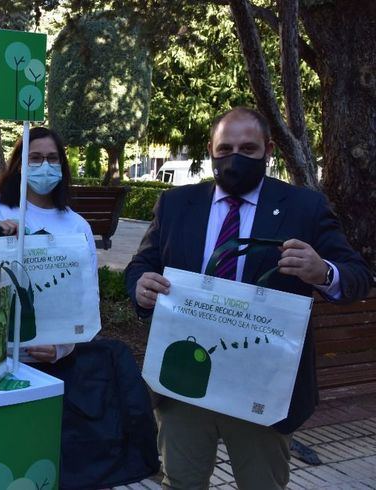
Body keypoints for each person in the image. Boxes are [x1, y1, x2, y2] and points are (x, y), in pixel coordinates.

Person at [124, 107, 372, 489]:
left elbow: (357, 277)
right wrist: (141, 286)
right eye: (225, 148)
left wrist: (322, 271)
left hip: (262, 386)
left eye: (248, 148)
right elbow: (142, 265)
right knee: (181, 483)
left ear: (268, 149)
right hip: (184, 384)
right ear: (210, 150)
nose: (234, 157)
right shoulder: (176, 205)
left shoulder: (304, 207)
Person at [0, 126, 98, 363]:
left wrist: (62, 348)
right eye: (35, 158)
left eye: (52, 158)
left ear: (62, 165)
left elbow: (86, 298)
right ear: (18, 164)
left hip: (48, 361)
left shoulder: (77, 226)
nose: (44, 165)